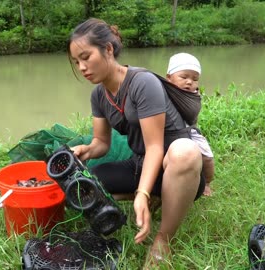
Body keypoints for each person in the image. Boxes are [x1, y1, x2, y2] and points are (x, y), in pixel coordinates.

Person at [67, 18, 204, 267]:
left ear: (108, 49)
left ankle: (164, 238)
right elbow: (101, 142)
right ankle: (158, 196)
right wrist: (86, 150)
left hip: (174, 165)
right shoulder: (99, 94)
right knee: (87, 184)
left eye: (86, 57)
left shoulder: (143, 82)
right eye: (77, 62)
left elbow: (155, 147)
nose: (82, 67)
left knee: (185, 152)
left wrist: (141, 192)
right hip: (140, 163)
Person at [166, 52, 215, 196]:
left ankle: (206, 182)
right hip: (168, 132)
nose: (189, 82)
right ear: (168, 78)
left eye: (195, 79)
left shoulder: (193, 96)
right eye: (184, 77)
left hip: (190, 131)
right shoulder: (160, 90)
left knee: (207, 158)